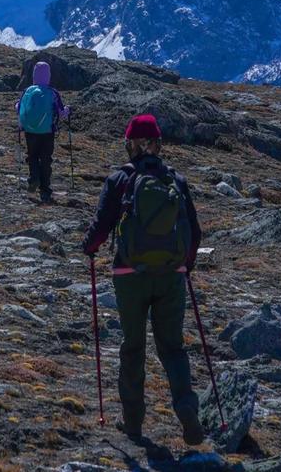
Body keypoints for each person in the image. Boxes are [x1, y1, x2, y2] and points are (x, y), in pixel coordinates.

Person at [81, 114, 204, 445]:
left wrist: (89, 248)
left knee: (133, 348)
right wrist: (184, 266)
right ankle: (186, 408)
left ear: (130, 145)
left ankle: (133, 423)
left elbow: (102, 225)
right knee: (173, 349)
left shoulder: (120, 179)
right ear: (158, 145)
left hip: (128, 275)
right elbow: (195, 232)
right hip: (171, 276)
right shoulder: (175, 180)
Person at [16, 61, 68, 204]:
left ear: (34, 75)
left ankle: (34, 179)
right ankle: (45, 189)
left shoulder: (27, 91)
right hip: (47, 132)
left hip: (30, 131)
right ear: (48, 75)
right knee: (46, 159)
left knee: (32, 156)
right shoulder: (53, 93)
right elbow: (61, 113)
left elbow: (19, 107)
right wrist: (67, 111)